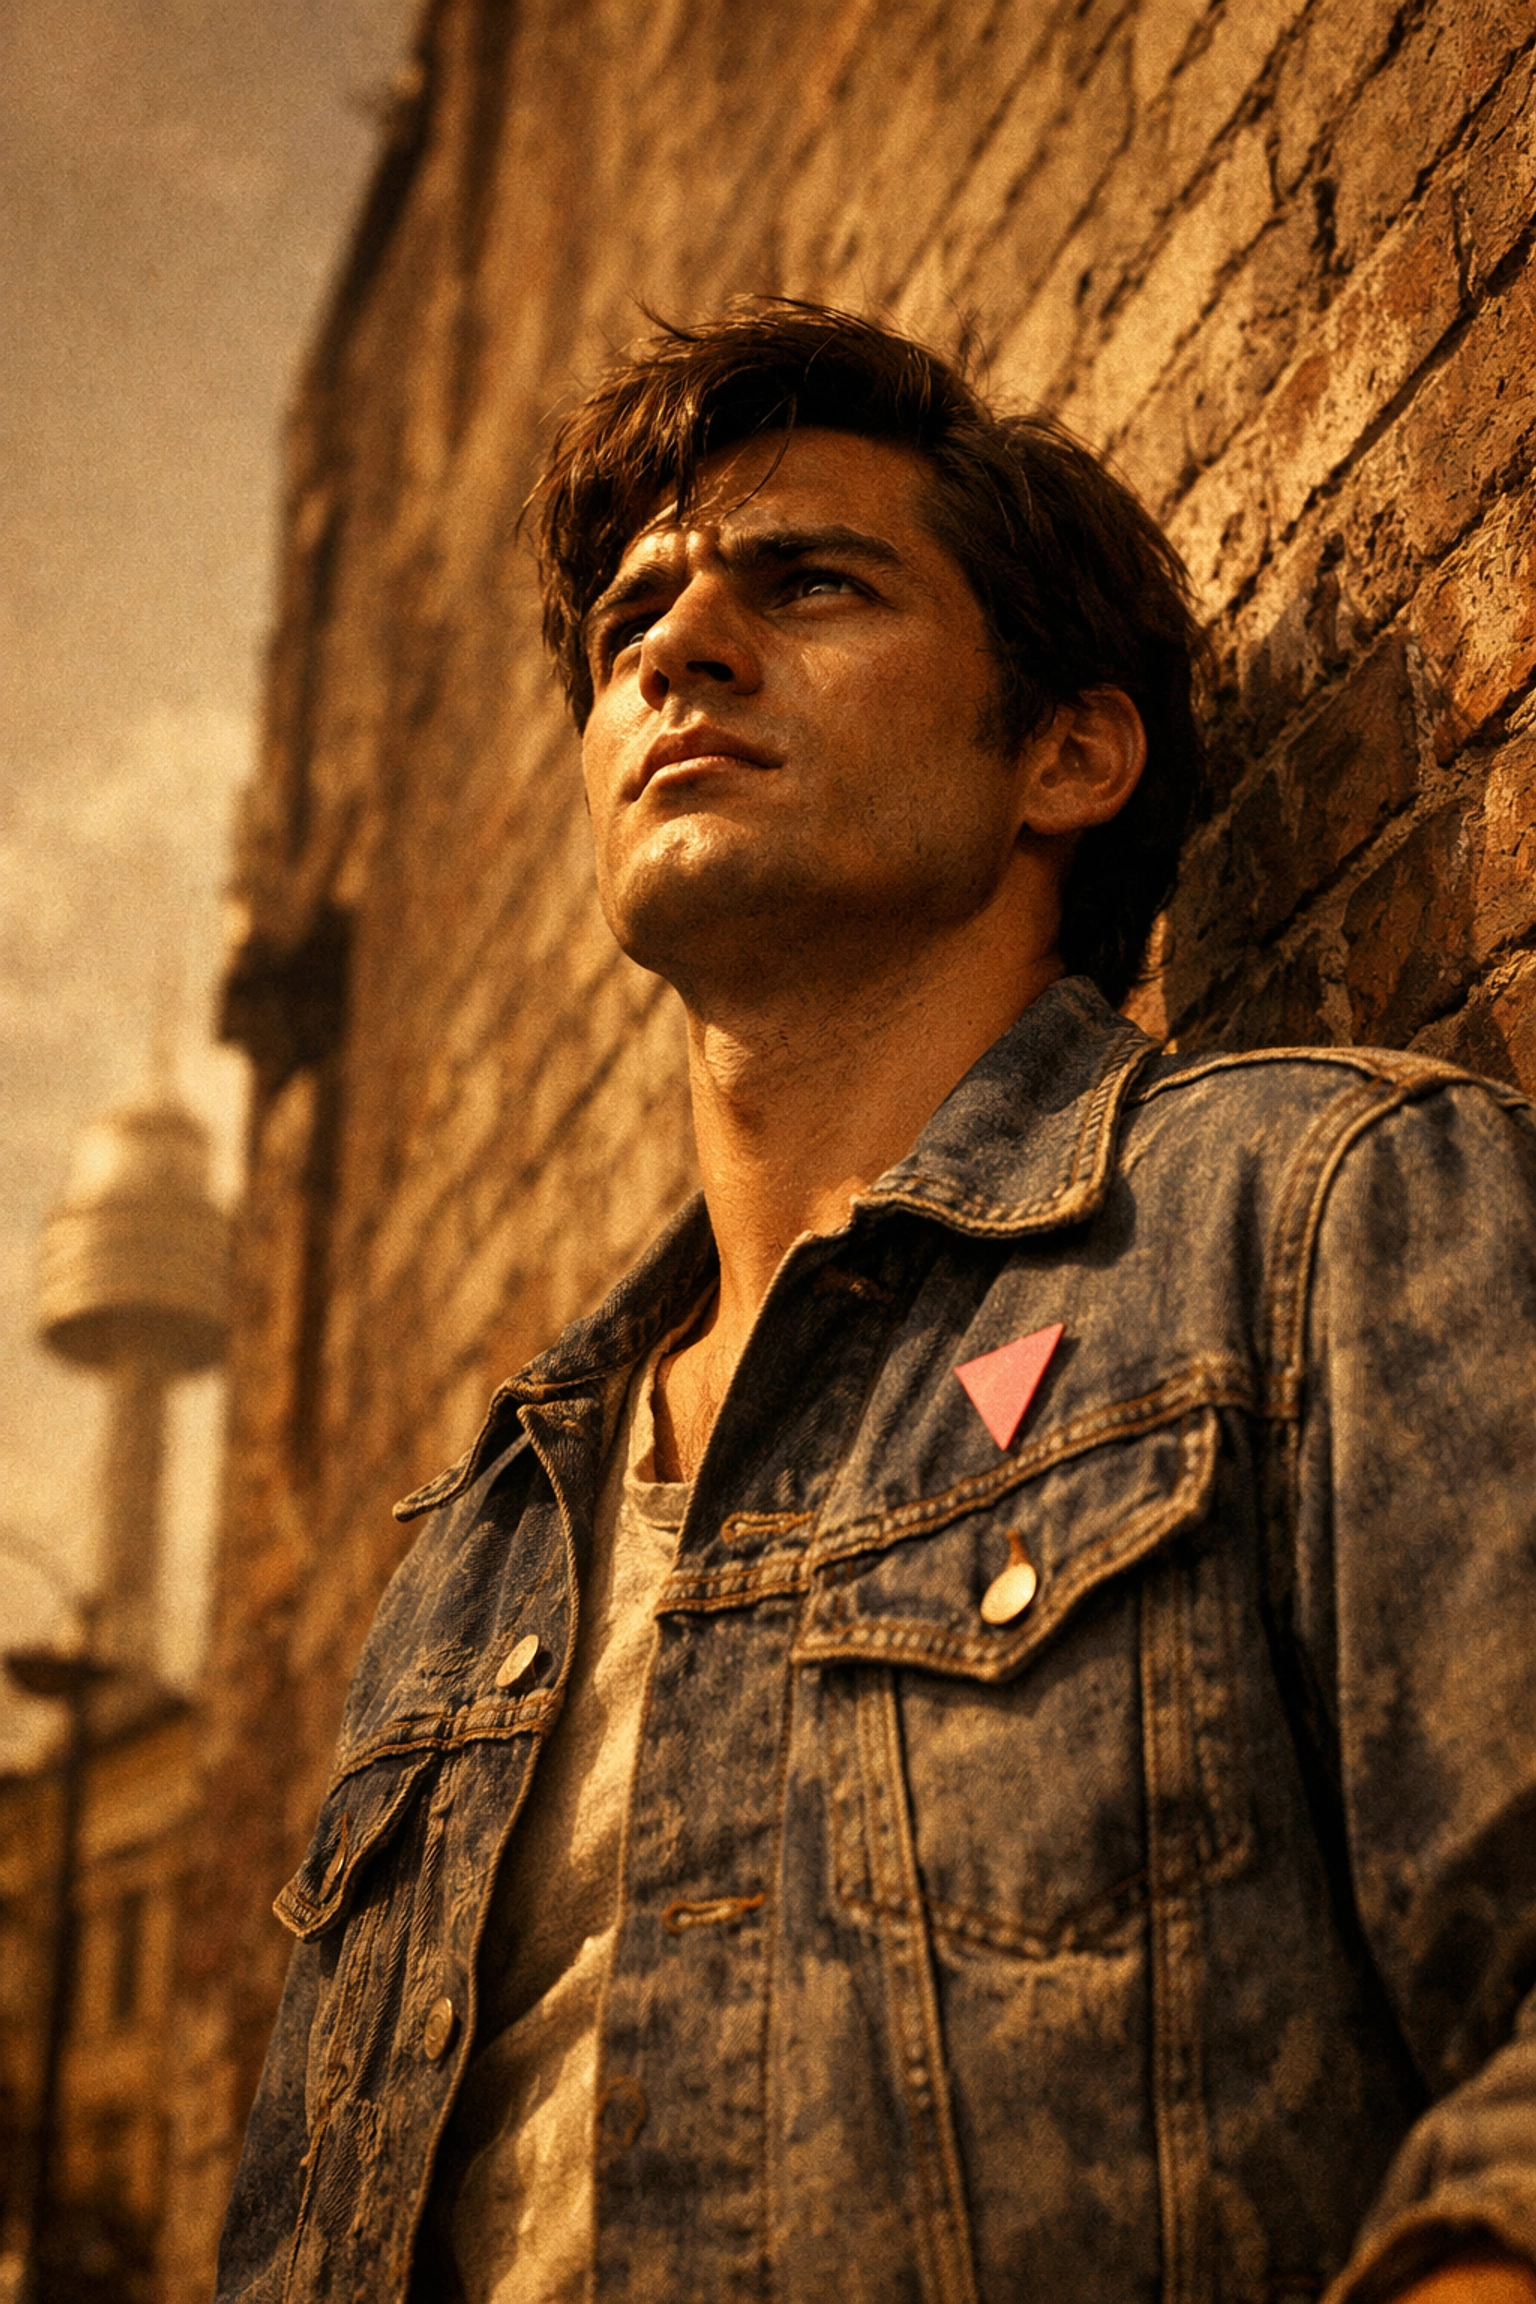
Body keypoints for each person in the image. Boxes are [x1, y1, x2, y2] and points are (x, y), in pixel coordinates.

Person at [216, 302, 1536, 2304]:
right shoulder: (477, 1557)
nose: (679, 643)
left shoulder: (1311, 1218)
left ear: (1068, 752)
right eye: (631, 618)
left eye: (811, 581)